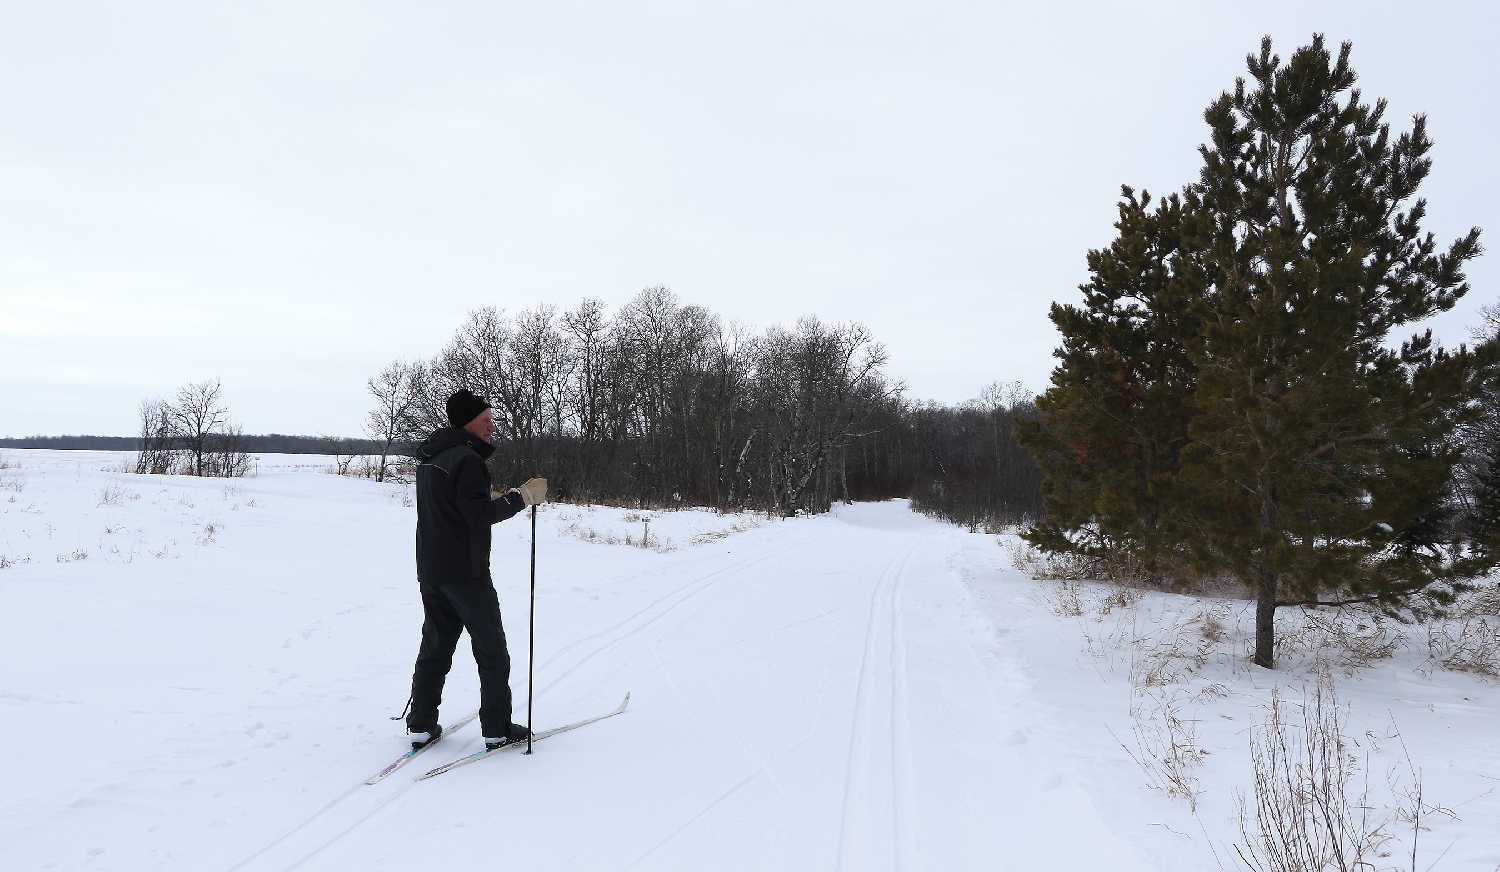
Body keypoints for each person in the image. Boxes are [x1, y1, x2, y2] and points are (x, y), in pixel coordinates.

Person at [404, 388, 548, 751]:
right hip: (466, 573)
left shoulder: (430, 459)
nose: (492, 427)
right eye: (486, 421)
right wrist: (522, 498)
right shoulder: (467, 461)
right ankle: (497, 728)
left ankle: (421, 723)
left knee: (436, 645)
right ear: (468, 423)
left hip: (432, 570)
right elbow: (478, 515)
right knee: (491, 649)